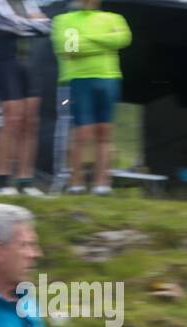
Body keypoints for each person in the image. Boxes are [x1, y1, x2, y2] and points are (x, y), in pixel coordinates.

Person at [51, 0, 131, 196]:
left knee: (105, 132)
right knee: (82, 133)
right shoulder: (63, 19)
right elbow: (69, 48)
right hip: (78, 79)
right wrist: (105, 42)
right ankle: (75, 183)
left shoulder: (114, 17)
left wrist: (86, 39)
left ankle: (102, 184)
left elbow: (123, 40)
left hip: (109, 78)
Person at [0, 0, 51, 197]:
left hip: (27, 60)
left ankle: (25, 181)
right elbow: (6, 23)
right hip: (1, 61)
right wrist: (35, 24)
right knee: (11, 119)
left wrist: (30, 23)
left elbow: (47, 26)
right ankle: (2, 182)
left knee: (30, 120)